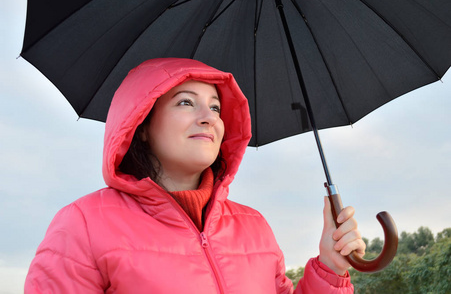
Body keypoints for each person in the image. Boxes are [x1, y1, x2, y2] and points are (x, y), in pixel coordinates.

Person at [25, 58, 365, 293]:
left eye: (216, 107)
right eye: (186, 102)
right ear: (141, 125)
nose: (208, 117)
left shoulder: (255, 227)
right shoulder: (81, 225)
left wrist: (330, 268)